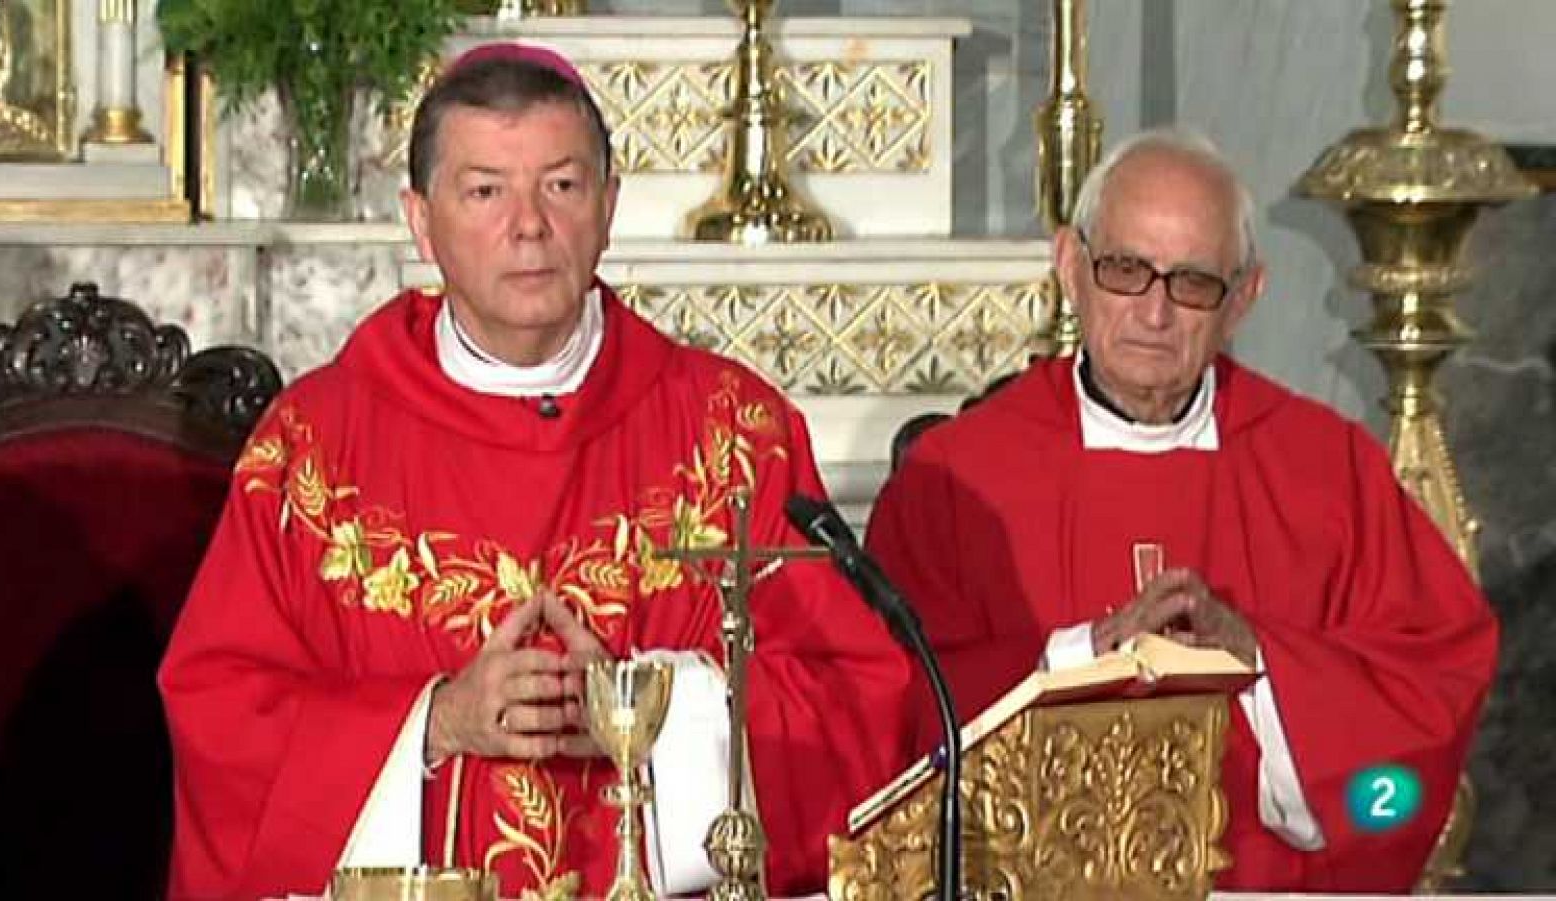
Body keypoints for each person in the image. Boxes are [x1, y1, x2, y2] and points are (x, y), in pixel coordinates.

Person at [159, 43, 909, 900]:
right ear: (419, 218)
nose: (529, 226)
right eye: (485, 190)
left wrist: (648, 716)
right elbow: (220, 715)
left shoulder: (737, 436)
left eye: (561, 184)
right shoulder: (310, 450)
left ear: (609, 204)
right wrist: (435, 721)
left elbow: (860, 703)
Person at [865, 129, 1498, 891]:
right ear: (1071, 266)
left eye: (1192, 282)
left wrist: (1258, 662)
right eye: (1126, 270)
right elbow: (886, 701)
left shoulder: (1327, 469)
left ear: (1244, 298)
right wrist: (1081, 654)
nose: (1155, 313)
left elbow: (1430, 677)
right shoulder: (954, 478)